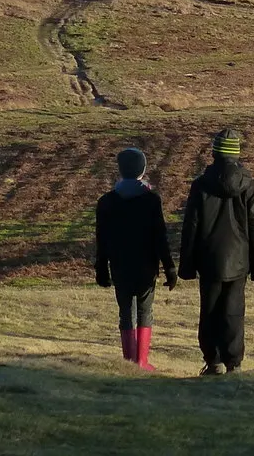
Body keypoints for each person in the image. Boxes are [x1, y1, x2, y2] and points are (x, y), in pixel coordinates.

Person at [179, 129, 254, 375]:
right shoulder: (249, 186)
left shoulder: (200, 185)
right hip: (239, 260)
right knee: (234, 311)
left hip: (208, 259)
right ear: (237, 154)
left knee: (208, 310)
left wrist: (186, 265)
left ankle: (214, 360)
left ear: (214, 153)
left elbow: (191, 226)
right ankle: (234, 363)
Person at [94, 147, 177, 371]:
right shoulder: (151, 200)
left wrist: (101, 269)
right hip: (146, 266)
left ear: (120, 170)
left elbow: (101, 240)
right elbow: (160, 237)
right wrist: (169, 268)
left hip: (119, 266)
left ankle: (129, 362)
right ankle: (141, 361)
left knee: (125, 312)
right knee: (144, 311)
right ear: (143, 169)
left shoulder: (106, 202)